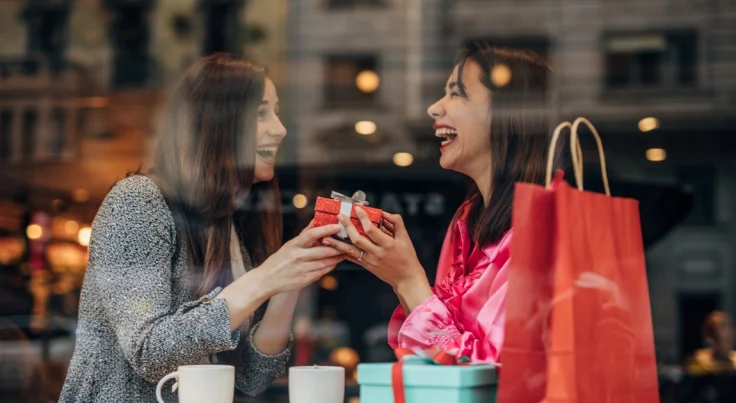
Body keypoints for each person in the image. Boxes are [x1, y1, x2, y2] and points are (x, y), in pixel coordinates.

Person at [59, 54, 345, 402]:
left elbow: (253, 378)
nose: (280, 128)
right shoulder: (137, 202)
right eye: (260, 113)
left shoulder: (228, 222)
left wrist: (294, 277)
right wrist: (266, 277)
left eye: (276, 111)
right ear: (214, 123)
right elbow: (150, 353)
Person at [324, 43, 552, 363]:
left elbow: (493, 372)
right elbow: (440, 350)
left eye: (456, 93)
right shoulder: (470, 219)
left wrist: (408, 278)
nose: (434, 108)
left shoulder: (545, 223)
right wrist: (399, 276)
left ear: (508, 112)